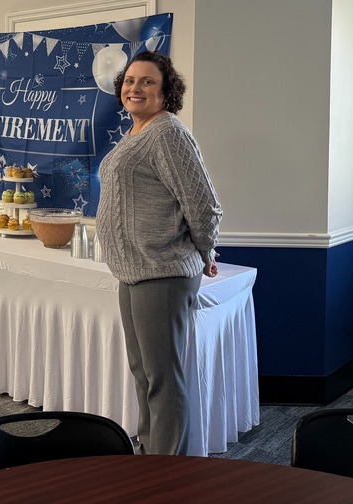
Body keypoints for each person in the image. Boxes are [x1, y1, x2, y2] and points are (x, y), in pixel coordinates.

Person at [95, 50, 222, 456]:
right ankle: (150, 455)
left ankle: (169, 476)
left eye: (147, 81)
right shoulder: (136, 133)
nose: (135, 87)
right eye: (130, 80)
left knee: (164, 379)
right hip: (133, 272)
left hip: (163, 271)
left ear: (166, 91)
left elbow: (202, 203)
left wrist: (206, 250)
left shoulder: (167, 132)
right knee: (144, 375)